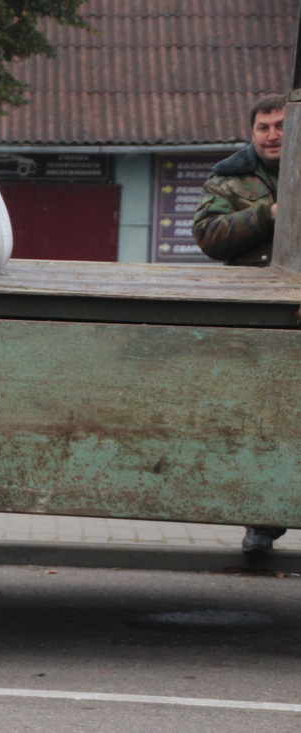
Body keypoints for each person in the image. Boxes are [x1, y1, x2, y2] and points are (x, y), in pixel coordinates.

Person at [192, 93, 287, 553]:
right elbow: (208, 235)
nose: (273, 135)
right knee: (261, 423)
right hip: (261, 319)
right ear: (252, 133)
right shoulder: (230, 177)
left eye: (282, 125)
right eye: (263, 127)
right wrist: (268, 215)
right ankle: (261, 521)